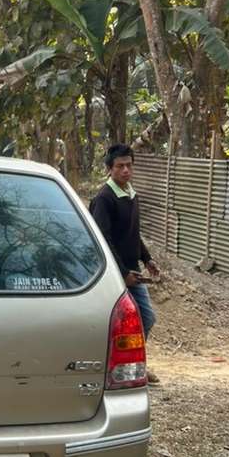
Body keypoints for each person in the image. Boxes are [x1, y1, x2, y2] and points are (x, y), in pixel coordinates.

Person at [90, 143, 161, 385]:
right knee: (128, 321)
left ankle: (132, 365)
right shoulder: (104, 199)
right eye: (120, 166)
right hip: (114, 274)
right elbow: (103, 240)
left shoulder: (131, 194)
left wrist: (147, 258)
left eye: (129, 165)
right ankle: (123, 366)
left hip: (133, 271)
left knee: (146, 319)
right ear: (109, 169)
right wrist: (121, 274)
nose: (125, 170)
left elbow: (133, 233)